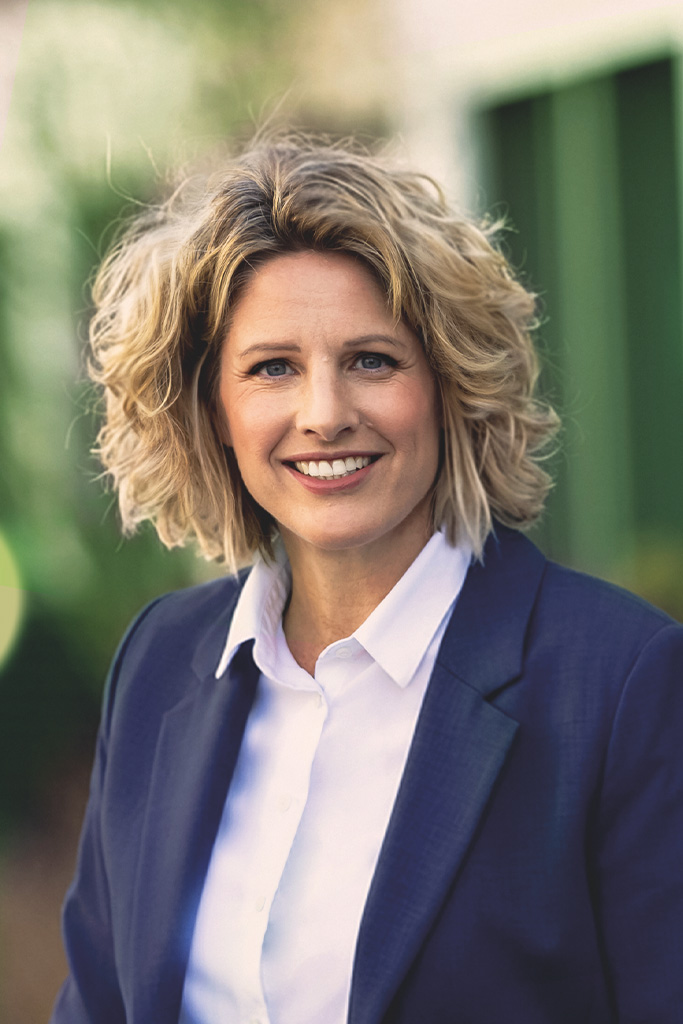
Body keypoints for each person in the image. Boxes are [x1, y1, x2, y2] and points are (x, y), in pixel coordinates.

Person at [51, 135, 683, 1024]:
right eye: (272, 368)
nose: (324, 414)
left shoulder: (621, 683)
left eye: (371, 360)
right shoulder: (159, 660)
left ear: (450, 385)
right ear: (213, 409)